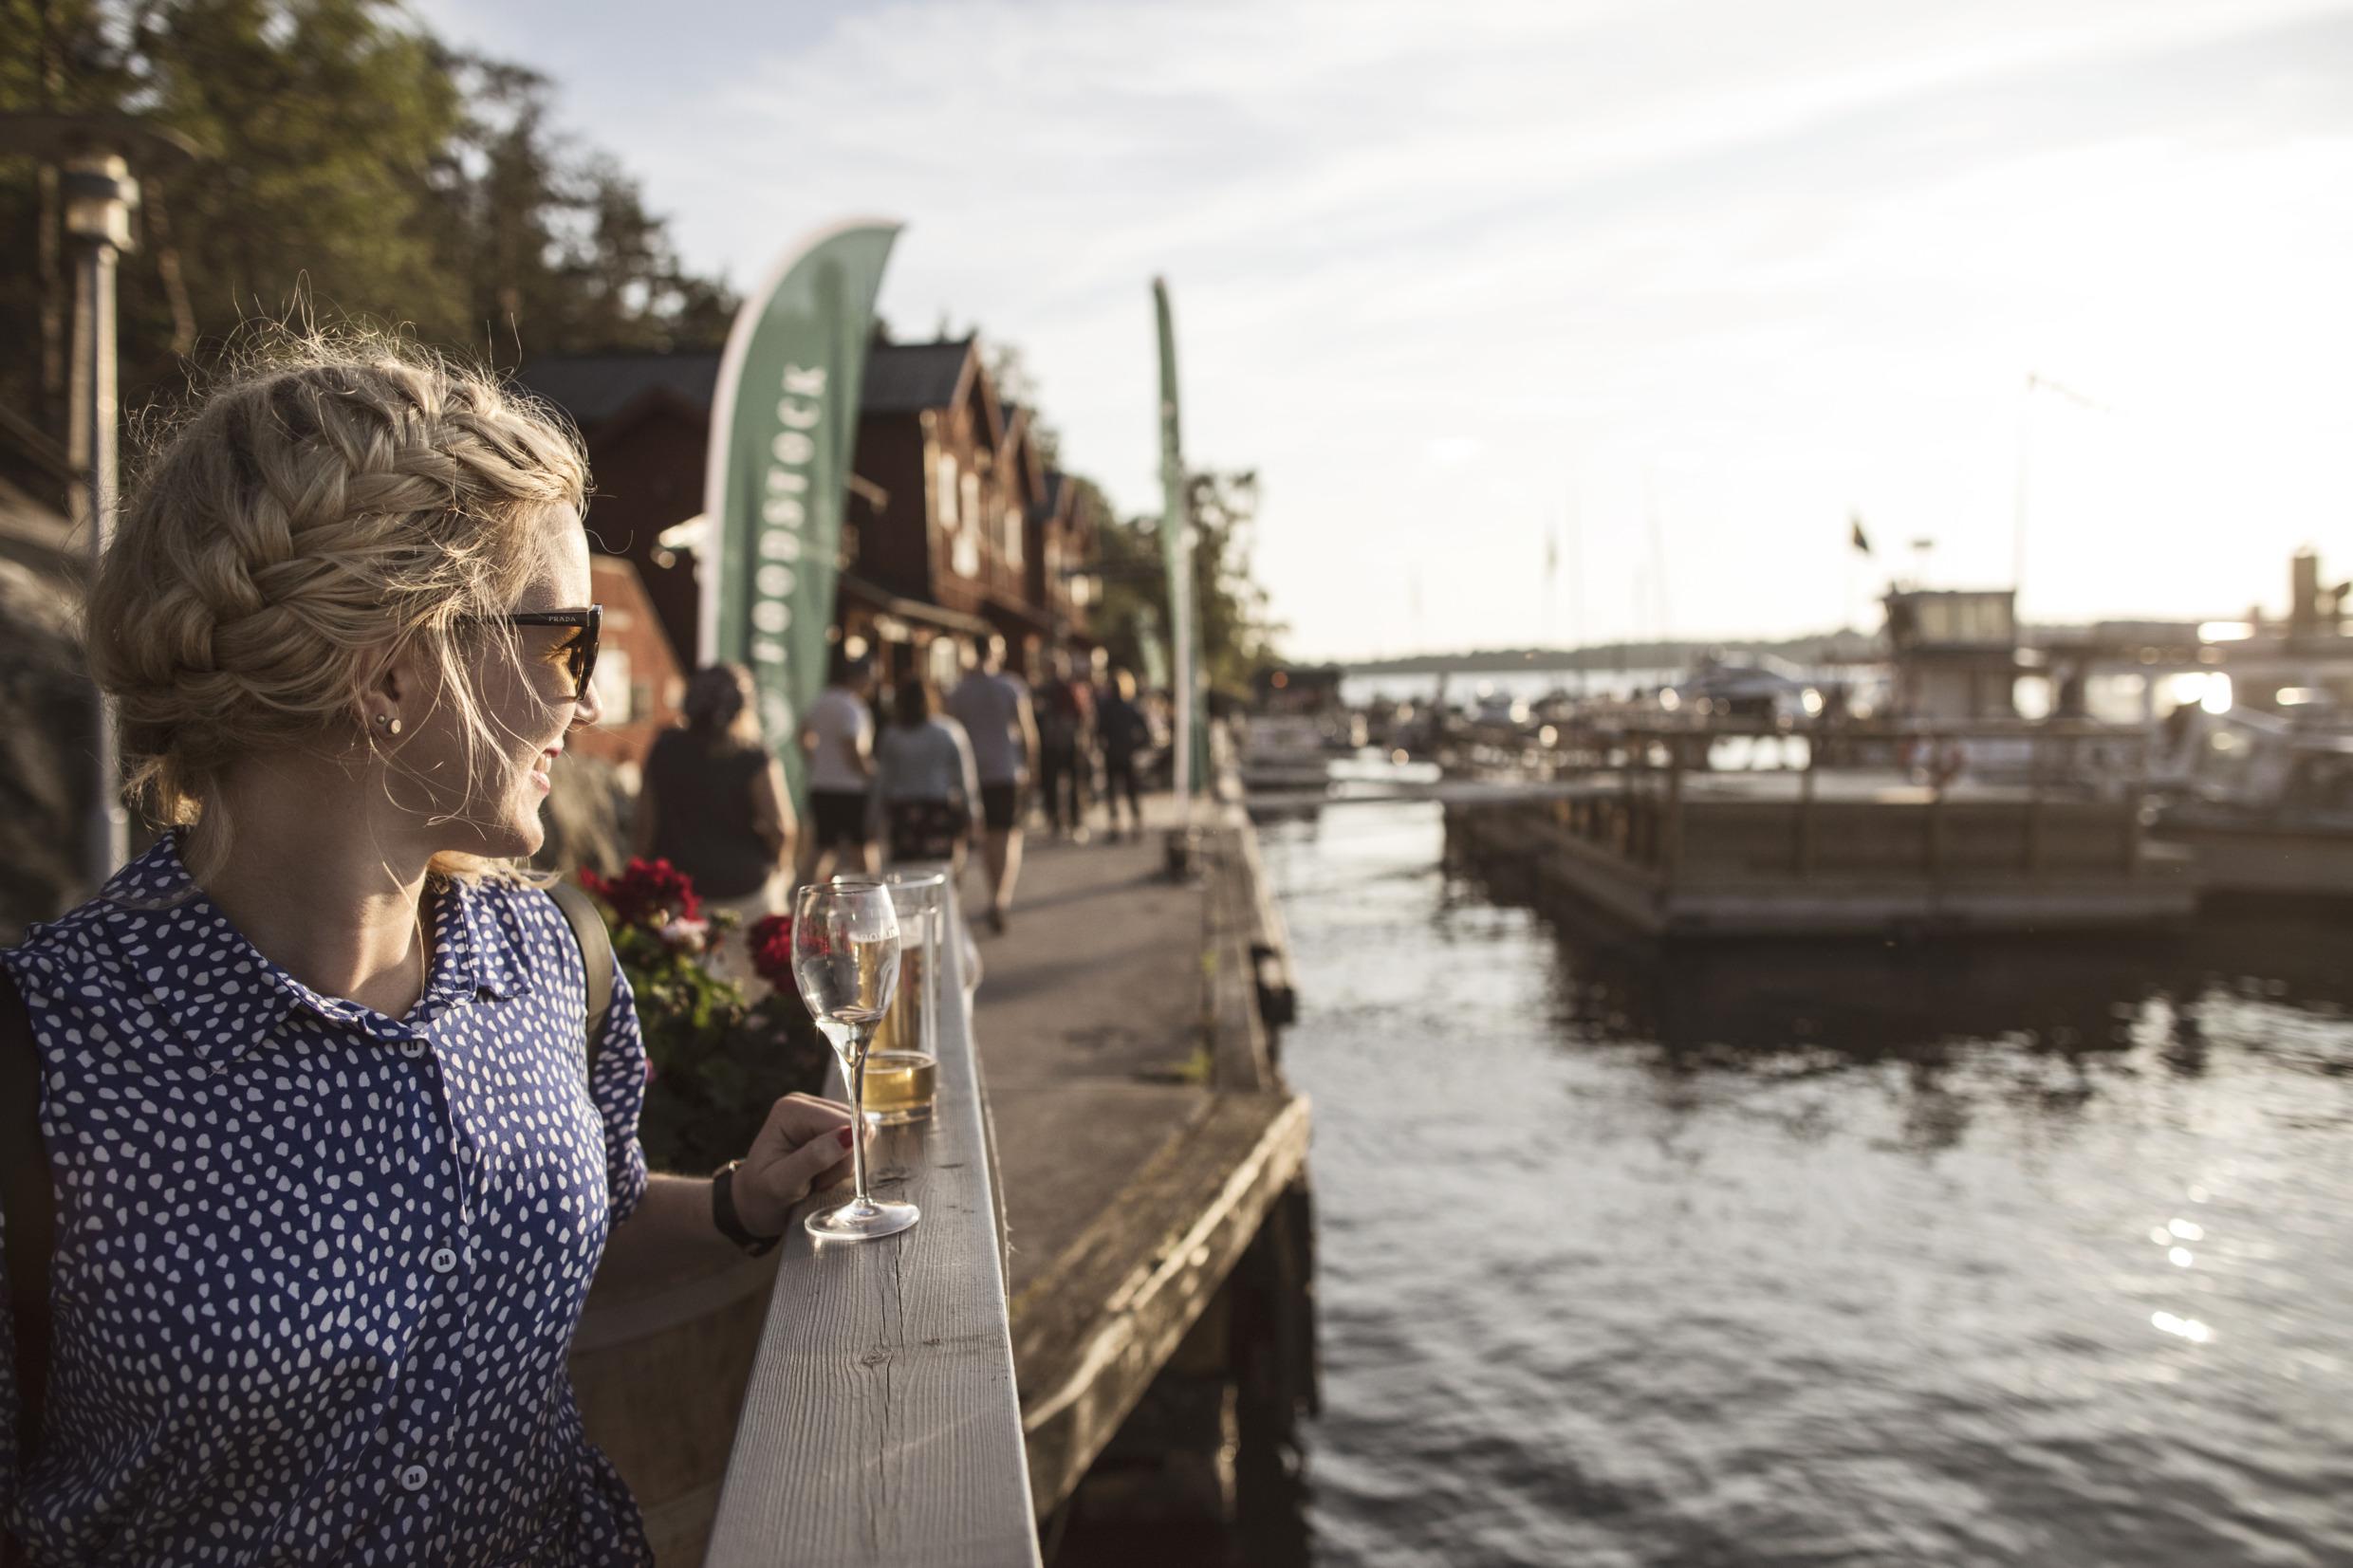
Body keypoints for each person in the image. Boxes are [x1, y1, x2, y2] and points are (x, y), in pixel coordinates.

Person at [0, 341, 862, 1566]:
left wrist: (735, 1203)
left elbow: (571, 1216)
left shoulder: (555, 960)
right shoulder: (47, 1059)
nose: (588, 700)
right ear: (395, 663)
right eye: (568, 641)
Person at [635, 664, 795, 987]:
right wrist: (783, 868)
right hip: (749, 896)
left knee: (695, 999)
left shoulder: (664, 749)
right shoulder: (752, 756)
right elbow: (781, 827)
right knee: (758, 993)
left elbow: (643, 827)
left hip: (685, 899)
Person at [944, 634, 1037, 933]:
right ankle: (999, 898)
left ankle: (963, 901)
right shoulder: (1010, 686)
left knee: (976, 838)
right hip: (1005, 772)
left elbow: (950, 733)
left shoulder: (960, 691)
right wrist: (1033, 771)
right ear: (996, 652)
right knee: (1006, 836)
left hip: (970, 773)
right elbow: (1028, 734)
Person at [874, 677, 982, 874]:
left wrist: (874, 817)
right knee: (941, 871)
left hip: (903, 812)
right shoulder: (948, 730)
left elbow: (882, 780)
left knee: (904, 873)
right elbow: (965, 776)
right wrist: (972, 811)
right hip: (938, 809)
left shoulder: (891, 735)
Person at [796, 648, 876, 886]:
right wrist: (868, 772)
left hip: (822, 784)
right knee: (863, 848)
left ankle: (807, 898)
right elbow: (851, 746)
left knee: (823, 847)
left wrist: (815, 758)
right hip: (850, 788)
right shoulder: (851, 706)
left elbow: (801, 733)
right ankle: (872, 899)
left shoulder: (822, 700)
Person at [1034, 649, 1094, 842]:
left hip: (1070, 743)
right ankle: (1055, 821)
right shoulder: (1042, 690)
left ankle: (1075, 821)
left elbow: (1084, 715)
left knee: (1074, 783)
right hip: (1051, 744)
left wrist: (1084, 738)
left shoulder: (1073, 689)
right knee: (1051, 784)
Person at [1095, 667, 1152, 842]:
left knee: (1123, 793)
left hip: (1119, 755)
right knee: (1125, 793)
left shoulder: (1124, 707)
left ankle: (1125, 826)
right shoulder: (1125, 707)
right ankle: (1125, 826)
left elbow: (1099, 732)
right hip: (1121, 755)